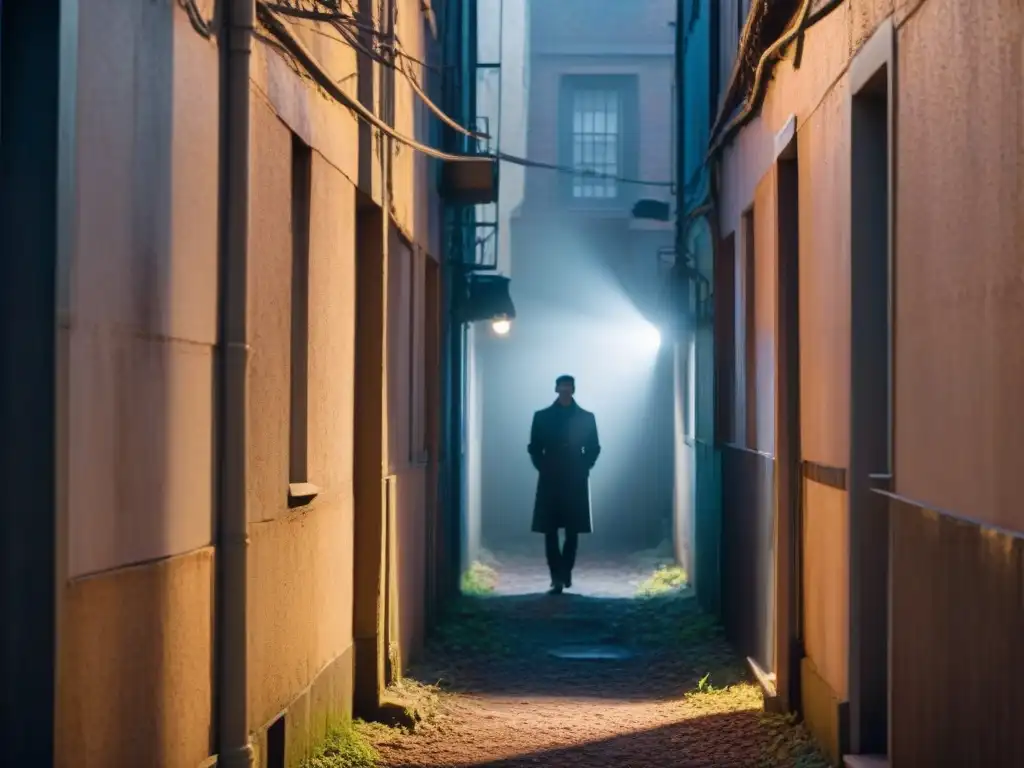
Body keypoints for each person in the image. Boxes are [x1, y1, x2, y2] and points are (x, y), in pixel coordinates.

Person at [528, 374, 601, 595]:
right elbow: (534, 446)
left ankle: (564, 573)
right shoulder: (543, 417)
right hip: (553, 475)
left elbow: (594, 447)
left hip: (573, 476)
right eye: (563, 386)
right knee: (551, 530)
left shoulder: (586, 417)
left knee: (571, 530)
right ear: (557, 389)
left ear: (572, 389)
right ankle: (557, 576)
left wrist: (583, 466)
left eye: (568, 386)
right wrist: (544, 466)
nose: (565, 390)